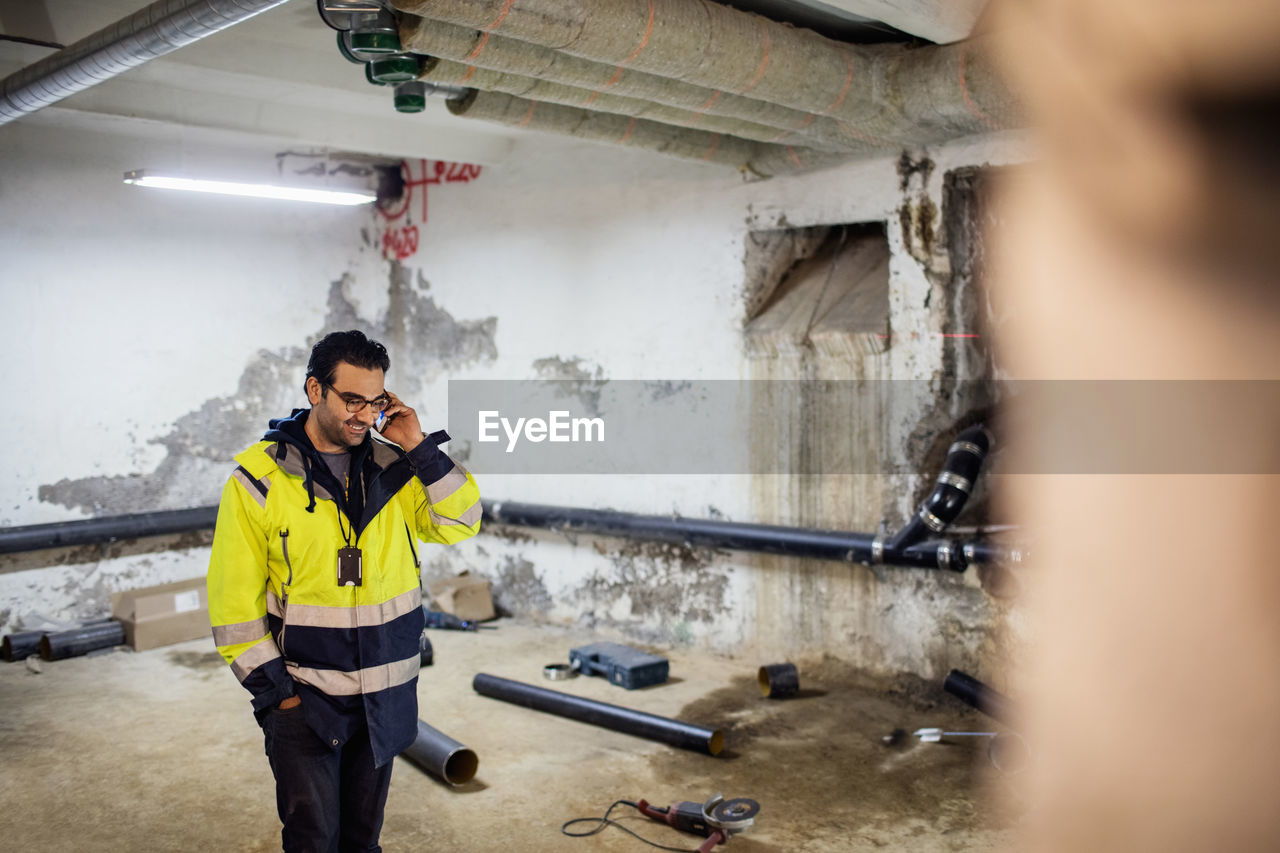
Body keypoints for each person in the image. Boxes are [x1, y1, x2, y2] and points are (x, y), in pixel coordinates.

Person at [207, 329, 481, 852]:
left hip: (384, 694)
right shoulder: (259, 481)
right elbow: (232, 605)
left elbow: (462, 519)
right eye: (351, 399)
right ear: (315, 390)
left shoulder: (396, 470)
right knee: (314, 841)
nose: (363, 414)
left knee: (362, 841)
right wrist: (279, 697)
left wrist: (419, 446)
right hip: (304, 702)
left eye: (374, 401)